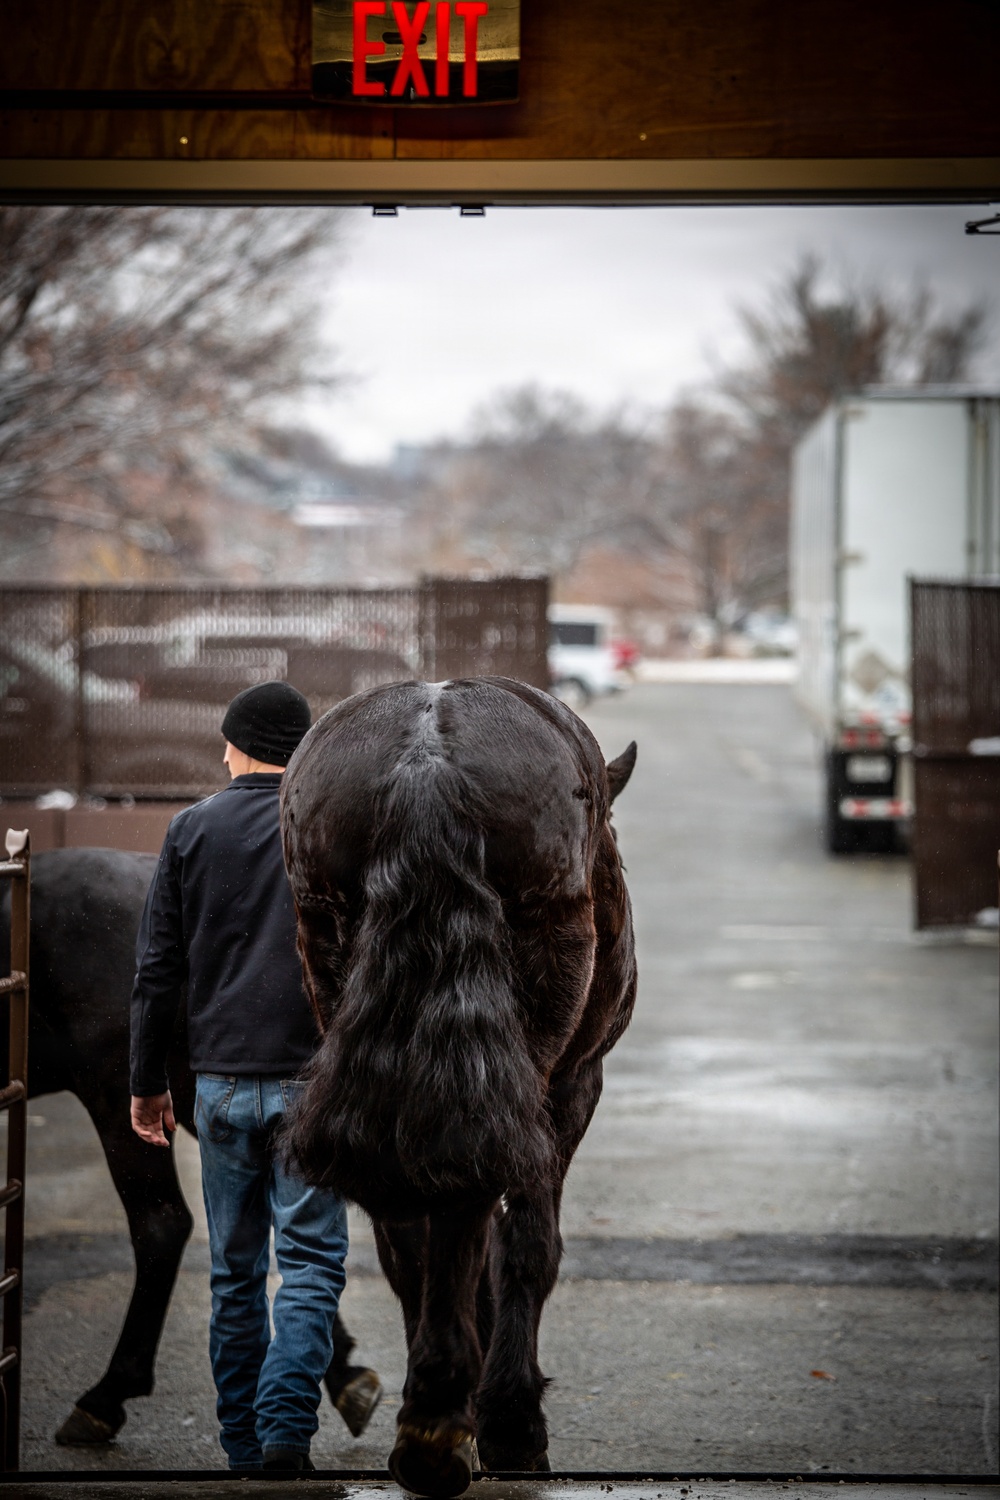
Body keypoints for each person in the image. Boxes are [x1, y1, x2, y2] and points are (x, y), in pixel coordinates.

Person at [129, 680, 349, 1473]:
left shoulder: (192, 827)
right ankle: (287, 1430)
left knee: (234, 1271)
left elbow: (157, 969)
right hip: (312, 1084)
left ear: (235, 741)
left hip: (217, 1084)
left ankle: (241, 1445)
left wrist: (146, 1081)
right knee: (314, 1264)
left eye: (225, 740)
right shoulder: (326, 832)